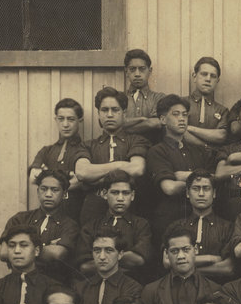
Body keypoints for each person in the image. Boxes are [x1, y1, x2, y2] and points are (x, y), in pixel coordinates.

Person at [140, 222, 222, 304]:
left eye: (186, 249)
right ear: (166, 254)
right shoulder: (151, 291)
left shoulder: (215, 290)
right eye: (174, 251)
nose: (181, 256)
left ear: (195, 250)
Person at [145, 94, 219, 239]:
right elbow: (169, 188)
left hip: (199, 220)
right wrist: (198, 179)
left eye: (185, 115)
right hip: (169, 220)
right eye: (176, 114)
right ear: (163, 119)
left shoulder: (198, 151)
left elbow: (213, 180)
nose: (182, 119)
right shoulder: (157, 151)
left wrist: (183, 176)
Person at [74, 87, 149, 226]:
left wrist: (95, 177)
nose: (109, 115)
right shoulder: (88, 146)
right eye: (104, 110)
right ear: (98, 114)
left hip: (129, 209)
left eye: (115, 110)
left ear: (124, 113)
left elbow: (137, 169)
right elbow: (82, 172)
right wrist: (119, 165)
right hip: (93, 209)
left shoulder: (136, 141)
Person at [0, 170, 80, 283]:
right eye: (44, 189)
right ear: (38, 191)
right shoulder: (20, 219)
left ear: (64, 194)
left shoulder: (69, 225)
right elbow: (4, 253)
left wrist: (20, 249)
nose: (48, 194)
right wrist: (47, 247)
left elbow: (58, 254)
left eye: (54, 190)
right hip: (17, 281)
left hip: (52, 285)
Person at [75, 172, 153, 279]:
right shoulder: (91, 227)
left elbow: (138, 259)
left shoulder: (141, 225)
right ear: (104, 194)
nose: (120, 198)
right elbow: (85, 266)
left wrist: (102, 260)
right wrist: (122, 259)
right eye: (115, 193)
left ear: (132, 196)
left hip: (130, 283)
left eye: (125, 193)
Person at [73, 230, 144, 304]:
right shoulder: (80, 287)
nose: (101, 257)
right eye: (97, 250)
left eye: (109, 250)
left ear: (120, 254)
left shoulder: (132, 287)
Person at [29, 98, 87, 221]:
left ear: (80, 120)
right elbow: (33, 177)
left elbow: (82, 181)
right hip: (50, 215)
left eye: (71, 119)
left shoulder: (87, 149)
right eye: (61, 119)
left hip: (76, 214)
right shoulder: (47, 151)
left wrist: (47, 173)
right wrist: (68, 175)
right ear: (56, 120)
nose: (65, 124)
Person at [177, 170, 235, 281]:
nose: (201, 194)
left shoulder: (227, 227)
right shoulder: (178, 227)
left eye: (206, 188)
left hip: (216, 290)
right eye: (196, 188)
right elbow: (167, 262)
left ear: (214, 193)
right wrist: (210, 259)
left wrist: (185, 268)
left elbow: (228, 268)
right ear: (187, 193)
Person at [121, 48, 166, 142]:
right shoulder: (119, 98)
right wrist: (143, 119)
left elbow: (156, 123)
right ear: (126, 71)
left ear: (150, 71)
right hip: (123, 150)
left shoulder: (159, 98)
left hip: (151, 150)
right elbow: (112, 123)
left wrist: (123, 127)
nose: (137, 74)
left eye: (142, 69)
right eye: (132, 69)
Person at [185, 56, 230, 147]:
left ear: (217, 81)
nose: (208, 79)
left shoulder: (222, 110)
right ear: (194, 76)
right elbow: (177, 131)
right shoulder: (180, 103)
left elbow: (221, 136)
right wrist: (206, 146)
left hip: (211, 159)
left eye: (213, 76)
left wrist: (189, 128)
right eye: (204, 74)